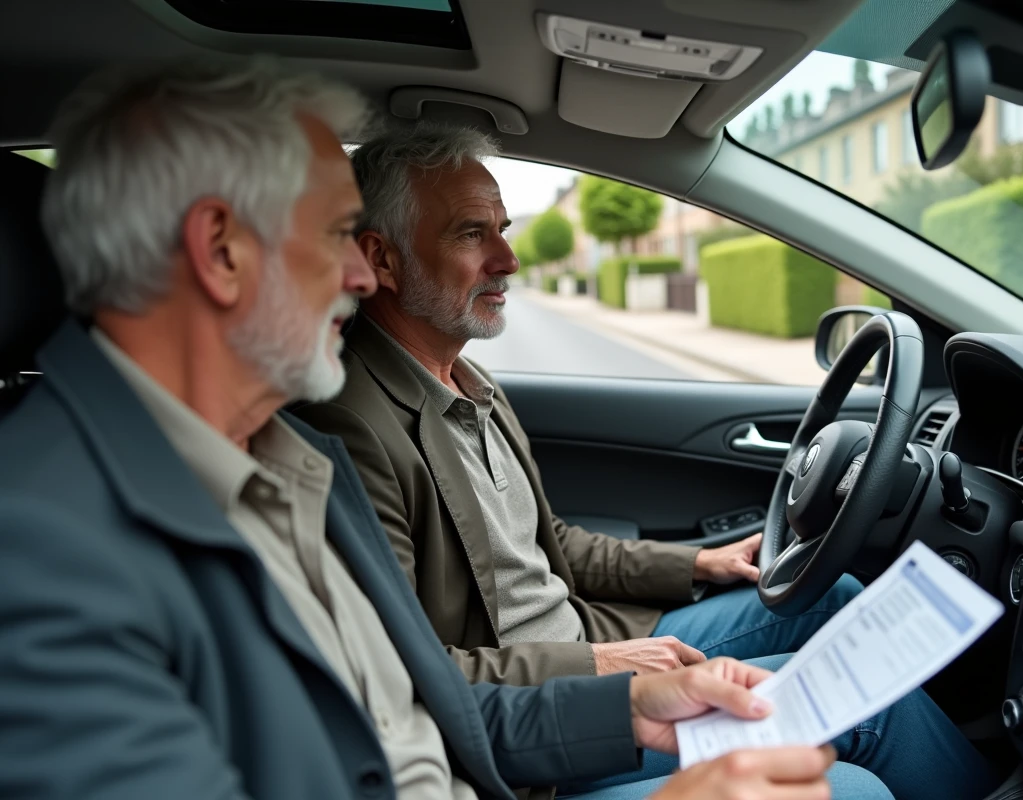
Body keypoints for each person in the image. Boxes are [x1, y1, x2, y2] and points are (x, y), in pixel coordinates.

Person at [0, 58, 884, 800]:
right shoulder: (40, 558)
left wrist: (634, 707)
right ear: (222, 250)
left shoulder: (283, 461)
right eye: (340, 234)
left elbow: (425, 704)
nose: (359, 272)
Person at [294, 123, 999, 800]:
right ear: (382, 259)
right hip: (532, 723)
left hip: (589, 642)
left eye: (502, 231)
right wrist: (596, 669)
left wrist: (698, 564)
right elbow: (404, 673)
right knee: (861, 742)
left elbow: (554, 545)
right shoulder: (351, 424)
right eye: (471, 233)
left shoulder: (472, 384)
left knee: (836, 599)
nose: (508, 259)